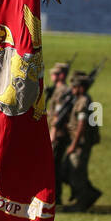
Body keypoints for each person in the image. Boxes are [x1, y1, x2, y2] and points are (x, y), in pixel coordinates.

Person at [62, 71, 102, 212]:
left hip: (79, 144)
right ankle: (89, 194)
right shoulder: (81, 100)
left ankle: (82, 202)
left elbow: (82, 125)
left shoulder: (83, 101)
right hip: (77, 142)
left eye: (75, 87)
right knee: (69, 171)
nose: (72, 89)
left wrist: (73, 145)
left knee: (76, 172)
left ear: (81, 87)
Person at [46, 62, 74, 204]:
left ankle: (56, 198)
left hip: (58, 134)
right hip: (53, 132)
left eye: (55, 74)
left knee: (54, 166)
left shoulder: (63, 91)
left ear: (61, 75)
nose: (51, 76)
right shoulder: (57, 90)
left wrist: (53, 133)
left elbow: (58, 114)